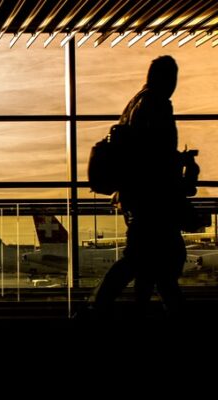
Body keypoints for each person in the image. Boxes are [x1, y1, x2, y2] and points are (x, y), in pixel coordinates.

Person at [89, 56, 189, 319]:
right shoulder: (156, 105)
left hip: (137, 197)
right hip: (152, 198)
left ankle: (117, 308)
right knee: (151, 261)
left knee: (145, 261)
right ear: (166, 78)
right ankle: (100, 307)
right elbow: (155, 156)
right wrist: (178, 162)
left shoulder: (136, 104)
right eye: (173, 77)